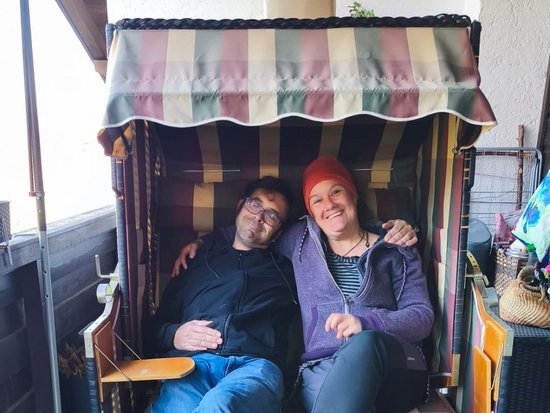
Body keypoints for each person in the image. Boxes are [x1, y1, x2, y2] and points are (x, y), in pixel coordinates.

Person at [174, 156, 434, 413]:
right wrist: (205, 242)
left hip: (394, 363)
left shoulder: (396, 246)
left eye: (336, 191)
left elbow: (422, 317)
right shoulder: (299, 240)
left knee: (365, 344)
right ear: (311, 212)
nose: (329, 204)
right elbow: (253, 230)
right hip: (322, 369)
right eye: (317, 200)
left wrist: (367, 323)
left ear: (353, 195)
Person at [148, 177, 298, 413]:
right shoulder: (196, 260)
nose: (259, 217)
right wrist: (174, 335)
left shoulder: (288, 271)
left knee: (220, 404)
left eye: (272, 215)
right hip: (192, 365)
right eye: (255, 204)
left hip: (256, 367)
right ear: (240, 206)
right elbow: (153, 328)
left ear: (278, 232)